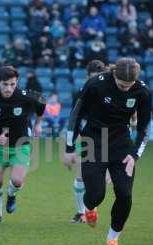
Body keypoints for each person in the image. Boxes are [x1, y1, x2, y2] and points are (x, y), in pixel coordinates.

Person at [63, 57, 152, 245]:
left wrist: (134, 155)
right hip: (93, 140)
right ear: (113, 74)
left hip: (121, 144)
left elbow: (144, 128)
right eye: (122, 85)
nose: (125, 89)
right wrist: (69, 147)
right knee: (96, 194)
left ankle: (113, 239)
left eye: (129, 86)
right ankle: (89, 208)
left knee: (124, 193)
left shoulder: (142, 91)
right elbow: (75, 115)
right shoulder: (95, 84)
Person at [0, 66, 46, 224]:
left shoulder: (25, 97)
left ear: (17, 82)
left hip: (20, 144)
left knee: (17, 181)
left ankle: (11, 195)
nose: (9, 88)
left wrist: (38, 124)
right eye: (5, 84)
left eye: (12, 84)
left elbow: (42, 104)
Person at [68, 60, 108, 224]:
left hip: (107, 138)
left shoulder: (111, 91)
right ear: (87, 76)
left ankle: (90, 207)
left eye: (99, 76)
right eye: (93, 77)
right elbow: (74, 118)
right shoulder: (82, 92)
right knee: (81, 177)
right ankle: (81, 212)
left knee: (102, 179)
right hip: (86, 138)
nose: (96, 80)